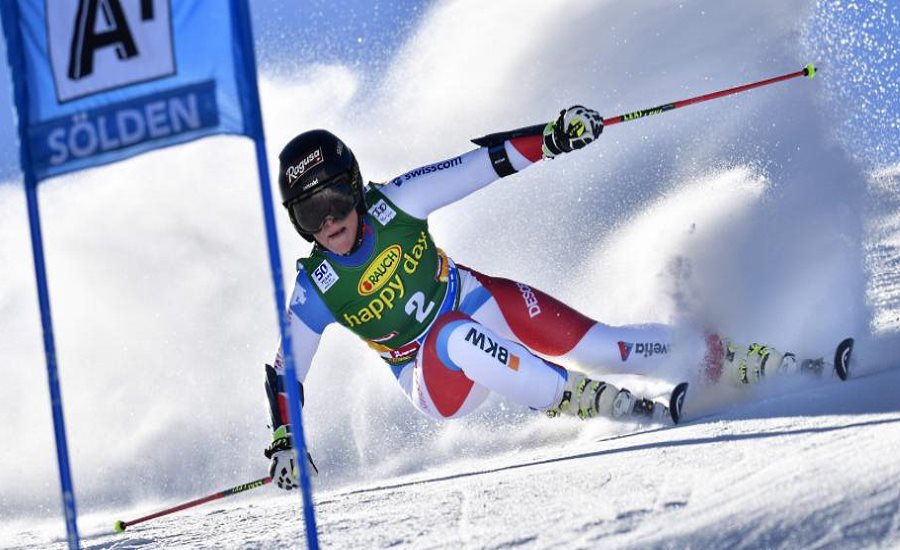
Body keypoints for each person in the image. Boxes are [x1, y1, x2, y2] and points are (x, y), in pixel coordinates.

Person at [262, 106, 803, 490]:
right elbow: (290, 371)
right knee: (453, 337)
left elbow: (478, 167)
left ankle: (720, 357)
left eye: (335, 198)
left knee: (600, 343)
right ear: (298, 223)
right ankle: (574, 396)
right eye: (311, 213)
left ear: (355, 187)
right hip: (431, 378)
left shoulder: (397, 202)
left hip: (475, 299)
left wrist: (550, 138)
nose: (329, 221)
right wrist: (287, 437)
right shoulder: (316, 288)